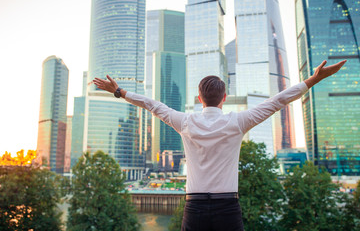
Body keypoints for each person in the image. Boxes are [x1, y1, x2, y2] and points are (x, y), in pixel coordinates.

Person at [93, 59, 347, 231]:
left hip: (194, 208)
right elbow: (278, 100)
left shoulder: (185, 122)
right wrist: (313, 80)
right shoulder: (237, 122)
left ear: (199, 99)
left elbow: (152, 104)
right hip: (228, 208)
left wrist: (119, 92)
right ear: (224, 98)